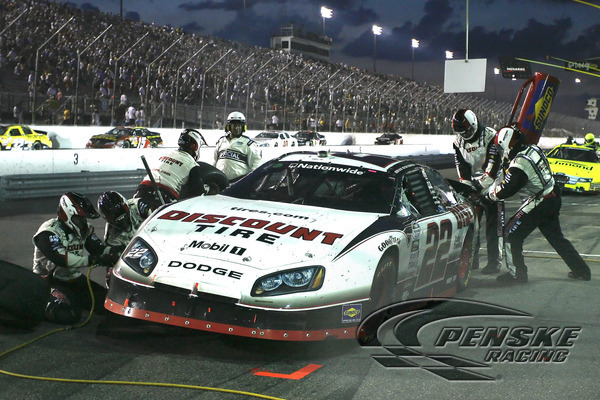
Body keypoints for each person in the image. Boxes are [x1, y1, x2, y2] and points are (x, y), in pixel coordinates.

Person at [488, 125, 592, 283]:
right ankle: (582, 270)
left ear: (508, 144)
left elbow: (506, 189)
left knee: (510, 234)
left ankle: (517, 274)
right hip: (553, 195)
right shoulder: (533, 148)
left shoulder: (519, 163)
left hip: (541, 201)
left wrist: (490, 195)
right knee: (556, 238)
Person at [32, 192, 121, 324]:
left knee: (110, 304)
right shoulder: (48, 232)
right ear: (67, 214)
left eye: (84, 219)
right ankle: (42, 302)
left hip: (73, 279)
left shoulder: (85, 230)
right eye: (79, 219)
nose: (83, 223)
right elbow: (62, 259)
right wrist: (94, 260)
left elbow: (98, 248)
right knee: (68, 315)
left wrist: (117, 252)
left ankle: (73, 299)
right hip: (47, 282)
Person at [452, 109, 502, 273]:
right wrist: (466, 188)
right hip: (474, 187)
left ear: (473, 124)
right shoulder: (458, 142)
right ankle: (471, 260)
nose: (464, 135)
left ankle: (494, 262)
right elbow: (462, 167)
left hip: (494, 187)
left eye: (466, 131)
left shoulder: (491, 136)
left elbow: (494, 165)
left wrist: (480, 186)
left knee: (493, 228)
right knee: (472, 226)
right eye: (461, 132)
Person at [135, 128, 228, 209]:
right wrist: (209, 188)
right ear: (196, 146)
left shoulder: (166, 154)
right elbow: (198, 192)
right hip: (164, 195)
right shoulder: (192, 164)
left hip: (142, 189)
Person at [214, 111, 262, 182]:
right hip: (220, 182)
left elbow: (256, 164)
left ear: (243, 127)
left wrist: (250, 181)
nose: (237, 128)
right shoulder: (221, 142)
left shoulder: (248, 144)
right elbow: (214, 161)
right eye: (234, 125)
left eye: (239, 125)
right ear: (229, 127)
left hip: (238, 184)